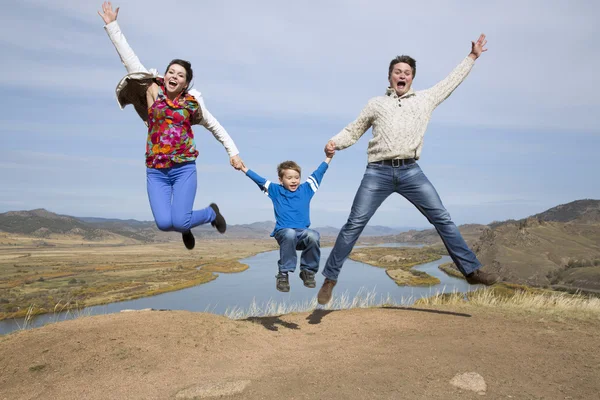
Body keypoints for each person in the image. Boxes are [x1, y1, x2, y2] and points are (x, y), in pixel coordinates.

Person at [317, 34, 499, 305]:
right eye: (397, 72)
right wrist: (335, 143)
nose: (402, 75)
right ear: (390, 77)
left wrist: (472, 57)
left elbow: (451, 82)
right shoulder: (376, 104)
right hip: (377, 172)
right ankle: (330, 279)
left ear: (412, 78)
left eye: (407, 72)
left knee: (442, 218)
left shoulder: (425, 99)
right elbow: (354, 129)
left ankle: (471, 271)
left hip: (411, 171)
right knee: (354, 224)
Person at [98, 2, 245, 250]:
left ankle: (210, 213)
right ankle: (186, 225)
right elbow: (128, 58)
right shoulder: (151, 89)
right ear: (164, 74)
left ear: (185, 83)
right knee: (165, 223)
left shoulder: (192, 104)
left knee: (180, 218)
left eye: (180, 75)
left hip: (183, 168)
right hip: (156, 170)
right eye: (171, 72)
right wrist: (112, 25)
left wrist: (234, 153)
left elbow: (216, 127)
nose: (173, 76)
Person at [240, 148, 334, 292]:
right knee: (289, 233)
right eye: (289, 178)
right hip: (284, 233)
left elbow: (319, 173)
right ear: (281, 180)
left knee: (314, 235)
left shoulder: (306, 189)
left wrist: (328, 157)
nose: (294, 180)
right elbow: (259, 179)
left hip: (302, 234)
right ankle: (283, 274)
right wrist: (243, 168)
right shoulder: (275, 190)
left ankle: (307, 272)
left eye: (296, 177)